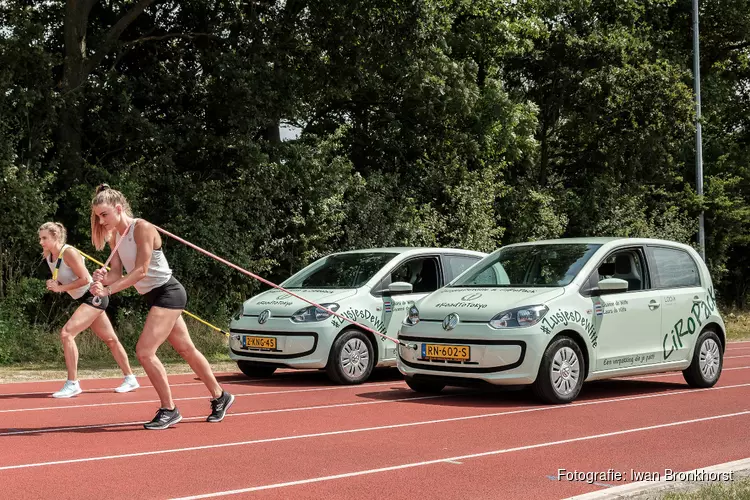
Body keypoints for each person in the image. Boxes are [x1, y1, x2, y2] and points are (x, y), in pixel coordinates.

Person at [88, 184, 234, 430]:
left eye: (104, 215)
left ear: (118, 208)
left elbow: (141, 270)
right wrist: (100, 281)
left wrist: (109, 290)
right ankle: (221, 396)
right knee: (187, 349)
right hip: (154, 296)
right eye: (98, 216)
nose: (101, 221)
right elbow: (115, 274)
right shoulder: (115, 237)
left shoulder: (142, 228)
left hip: (169, 292)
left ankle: (169, 409)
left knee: (144, 352)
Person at [38, 222, 139, 398]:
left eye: (45, 238)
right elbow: (67, 280)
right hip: (84, 299)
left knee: (67, 334)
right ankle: (131, 378)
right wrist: (55, 284)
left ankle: (72, 383)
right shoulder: (49, 256)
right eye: (40, 238)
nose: (41, 242)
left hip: (94, 296)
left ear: (55, 237)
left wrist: (60, 289)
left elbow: (85, 279)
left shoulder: (68, 252)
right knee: (111, 340)